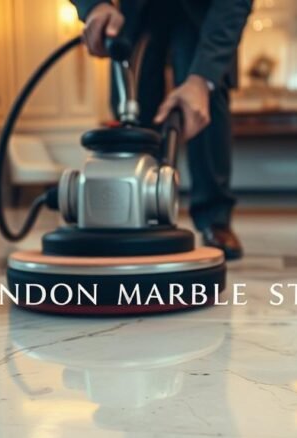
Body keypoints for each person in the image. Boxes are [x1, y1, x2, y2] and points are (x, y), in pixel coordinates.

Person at [71, 0, 252, 260]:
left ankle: (216, 219)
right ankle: (133, 208)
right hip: (136, 13)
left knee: (204, 102)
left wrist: (203, 78)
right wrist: (95, 6)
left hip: (201, 14)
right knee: (132, 107)